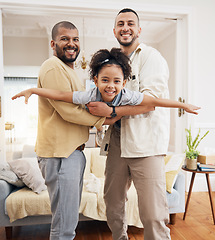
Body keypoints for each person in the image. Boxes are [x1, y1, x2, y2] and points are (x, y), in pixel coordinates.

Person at [85, 8, 183, 240]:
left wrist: (112, 112)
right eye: (120, 24)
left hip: (146, 145)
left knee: (152, 213)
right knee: (112, 203)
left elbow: (149, 102)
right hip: (117, 142)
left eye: (130, 23)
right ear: (114, 30)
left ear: (139, 29)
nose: (125, 28)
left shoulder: (152, 57)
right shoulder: (114, 61)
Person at [30, 21, 107, 240]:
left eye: (75, 39)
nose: (71, 44)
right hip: (61, 155)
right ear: (53, 43)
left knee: (67, 220)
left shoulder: (68, 70)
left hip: (70, 153)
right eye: (65, 39)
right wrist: (104, 118)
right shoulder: (53, 66)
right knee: (64, 225)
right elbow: (68, 112)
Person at [12, 48, 199, 127]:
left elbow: (155, 101)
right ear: (95, 80)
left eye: (117, 81)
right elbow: (61, 94)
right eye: (105, 80)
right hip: (93, 117)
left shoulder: (127, 95)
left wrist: (183, 106)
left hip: (112, 117)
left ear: (124, 83)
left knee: (112, 120)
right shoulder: (90, 95)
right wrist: (34, 90)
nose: (111, 86)